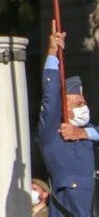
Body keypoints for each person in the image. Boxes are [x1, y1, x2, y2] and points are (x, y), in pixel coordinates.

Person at [38, 24, 96, 217]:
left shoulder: (90, 133)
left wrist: (83, 133)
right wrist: (52, 53)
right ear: (65, 109)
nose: (84, 107)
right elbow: (51, 95)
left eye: (84, 102)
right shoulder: (52, 135)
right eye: (78, 103)